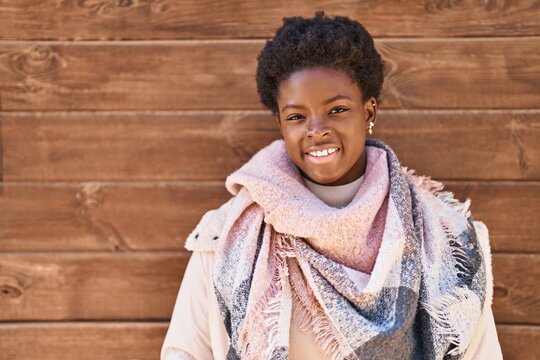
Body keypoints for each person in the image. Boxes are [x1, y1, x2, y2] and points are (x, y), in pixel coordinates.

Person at [161, 12, 503, 360]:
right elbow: (185, 352)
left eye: (337, 109)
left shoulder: (443, 240)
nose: (316, 129)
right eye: (296, 116)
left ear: (369, 113)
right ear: (280, 122)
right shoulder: (226, 237)